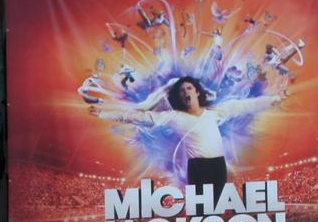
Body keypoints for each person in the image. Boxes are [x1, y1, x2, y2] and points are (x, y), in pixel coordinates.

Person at [90, 76, 286, 191]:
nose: (186, 92)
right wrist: (102, 113)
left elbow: (244, 106)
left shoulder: (214, 113)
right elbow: (136, 117)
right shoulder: (173, 117)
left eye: (189, 88)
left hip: (218, 165)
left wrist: (274, 99)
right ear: (179, 97)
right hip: (198, 168)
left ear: (197, 92)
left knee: (218, 206)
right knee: (201, 211)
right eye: (182, 90)